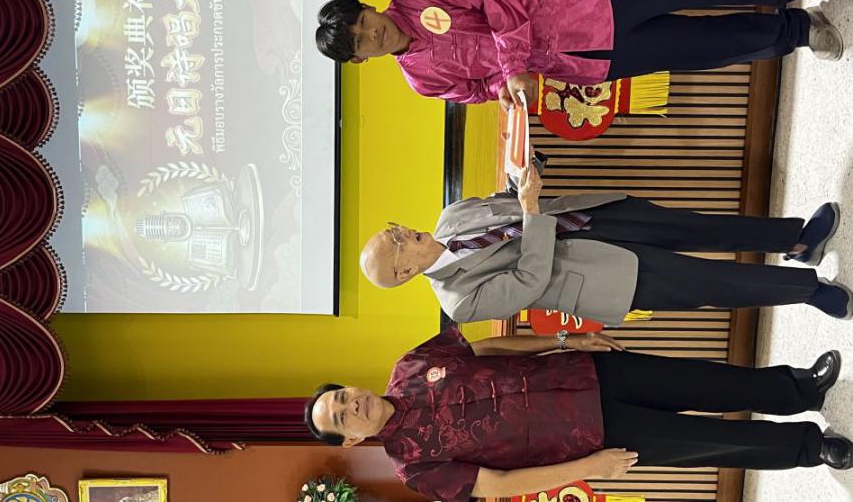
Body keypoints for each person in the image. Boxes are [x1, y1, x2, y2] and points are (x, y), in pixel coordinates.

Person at [305, 327, 850, 501]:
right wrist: (588, 469)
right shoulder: (414, 466)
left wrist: (566, 339)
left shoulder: (410, 364)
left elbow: (488, 349)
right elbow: (498, 484)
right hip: (590, 437)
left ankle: (799, 388)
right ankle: (809, 448)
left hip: (584, 372)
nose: (353, 405)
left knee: (704, 381)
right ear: (350, 441)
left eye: (343, 397)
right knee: (708, 442)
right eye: (343, 417)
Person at [358, 154, 850, 325]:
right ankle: (809, 292)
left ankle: (796, 240)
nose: (402, 231)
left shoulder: (451, 216)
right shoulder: (458, 302)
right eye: (396, 242)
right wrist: (530, 210)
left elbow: (508, 202)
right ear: (405, 272)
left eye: (392, 228)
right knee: (712, 282)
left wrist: (525, 173)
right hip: (597, 276)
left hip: (590, 218)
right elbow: (529, 280)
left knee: (696, 225)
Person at [316, 0, 852, 108]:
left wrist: (510, 67)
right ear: (359, 60)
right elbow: (476, 90)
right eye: (360, 41)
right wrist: (503, 89)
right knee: (704, 47)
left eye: (362, 21)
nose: (371, 33)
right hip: (584, 61)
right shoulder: (422, 80)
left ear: (366, 6)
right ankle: (797, 30)